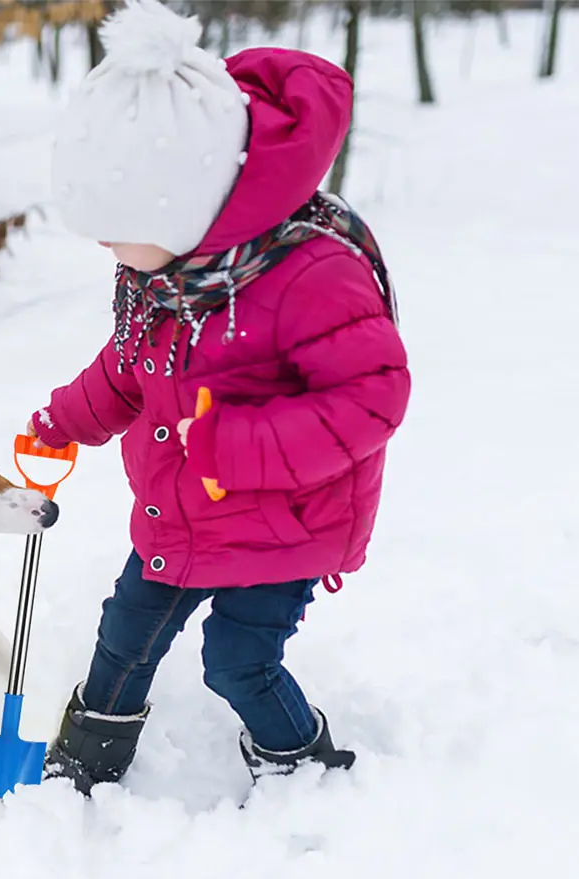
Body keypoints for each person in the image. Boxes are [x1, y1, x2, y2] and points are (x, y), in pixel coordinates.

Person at [27, 0, 411, 797]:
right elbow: (132, 366)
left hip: (283, 522)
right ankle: (87, 760)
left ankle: (298, 761)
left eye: (116, 224)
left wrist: (232, 449)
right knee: (124, 634)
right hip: (183, 513)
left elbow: (373, 397)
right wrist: (67, 419)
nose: (105, 246)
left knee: (238, 662)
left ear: (183, 203)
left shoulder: (308, 275)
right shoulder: (172, 276)